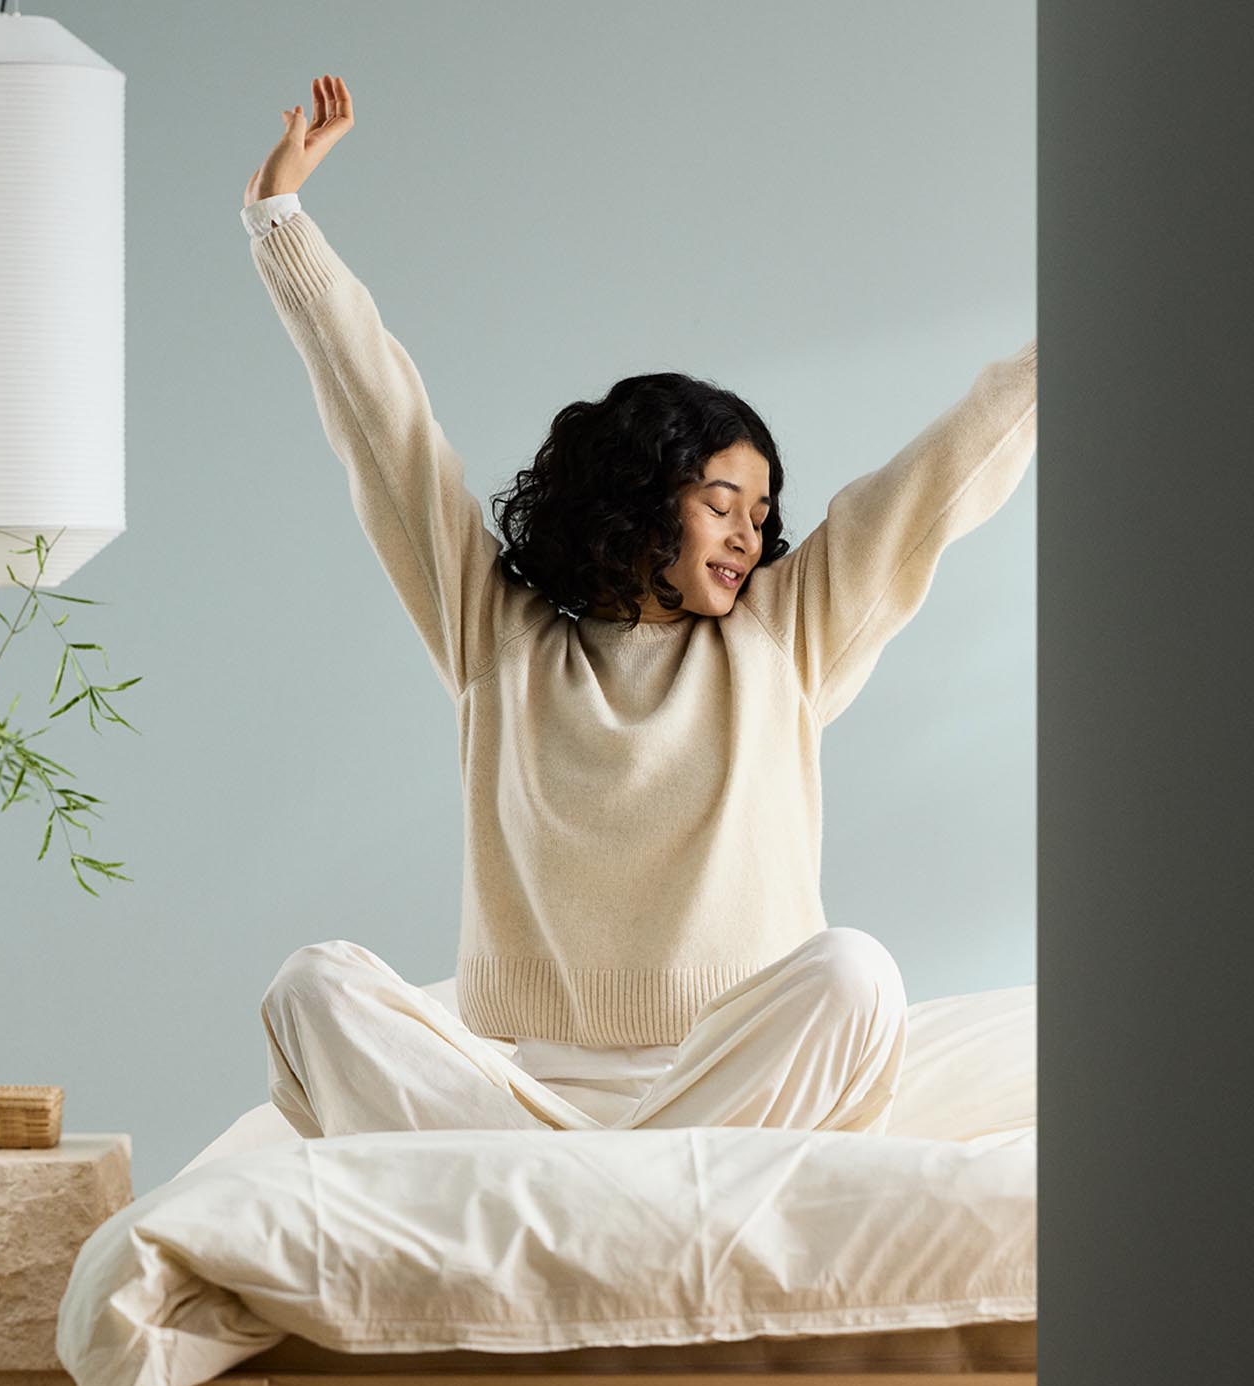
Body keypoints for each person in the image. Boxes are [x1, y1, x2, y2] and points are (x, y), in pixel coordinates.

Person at [243, 75, 1038, 1140]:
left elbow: (936, 485)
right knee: (312, 987)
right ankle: (614, 1177)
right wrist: (281, 222)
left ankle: (600, 1181)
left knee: (857, 974)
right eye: (723, 503)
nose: (750, 534)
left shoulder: (783, 637)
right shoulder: (499, 638)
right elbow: (388, 434)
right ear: (639, 498)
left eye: (762, 513)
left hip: (731, 1075)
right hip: (531, 1093)